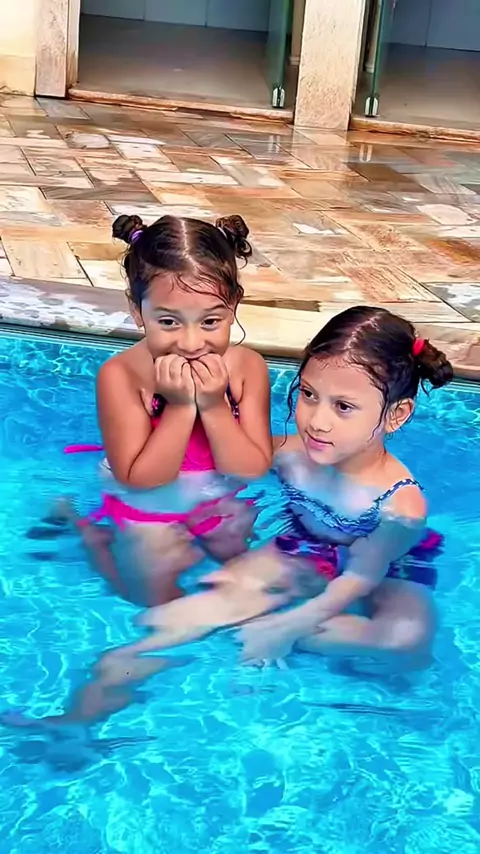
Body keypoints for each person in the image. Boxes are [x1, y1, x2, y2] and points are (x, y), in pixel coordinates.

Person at [117, 306, 452, 675]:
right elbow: (215, 468)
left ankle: (273, 624)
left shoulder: (399, 506)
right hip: (308, 546)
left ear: (396, 415)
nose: (317, 421)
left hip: (390, 566)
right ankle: (128, 657)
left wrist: (287, 628)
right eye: (308, 394)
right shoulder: (290, 456)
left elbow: (360, 578)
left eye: (343, 407)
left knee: (403, 642)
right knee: (203, 602)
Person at [32, 212, 272, 607]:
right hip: (146, 501)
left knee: (247, 578)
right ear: (136, 310)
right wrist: (180, 407)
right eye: (169, 321)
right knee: (152, 598)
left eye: (211, 321)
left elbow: (251, 469)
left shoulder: (247, 368)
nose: (191, 343)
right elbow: (139, 480)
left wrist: (213, 405)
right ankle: (87, 532)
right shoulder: (122, 374)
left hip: (215, 495)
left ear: (234, 305)